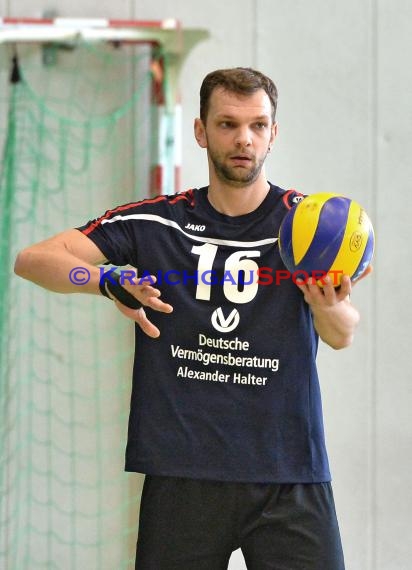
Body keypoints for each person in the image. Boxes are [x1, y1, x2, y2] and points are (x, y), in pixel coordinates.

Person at [14, 67, 370, 569]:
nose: (243, 138)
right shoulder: (156, 221)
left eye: (258, 125)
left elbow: (342, 334)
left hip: (288, 472)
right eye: (227, 124)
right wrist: (104, 280)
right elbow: (34, 260)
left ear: (274, 134)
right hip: (183, 474)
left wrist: (327, 304)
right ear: (200, 131)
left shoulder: (307, 223)